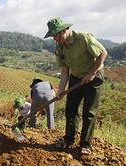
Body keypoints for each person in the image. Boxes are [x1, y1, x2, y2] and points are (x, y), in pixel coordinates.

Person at [44, 17, 107, 155]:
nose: (54, 38)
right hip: (76, 78)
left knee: (89, 113)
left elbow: (102, 53)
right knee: (71, 111)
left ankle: (85, 144)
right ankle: (68, 139)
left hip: (94, 78)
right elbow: (65, 70)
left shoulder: (83, 38)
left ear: (64, 31)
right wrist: (60, 89)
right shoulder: (60, 48)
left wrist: (91, 73)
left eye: (55, 34)